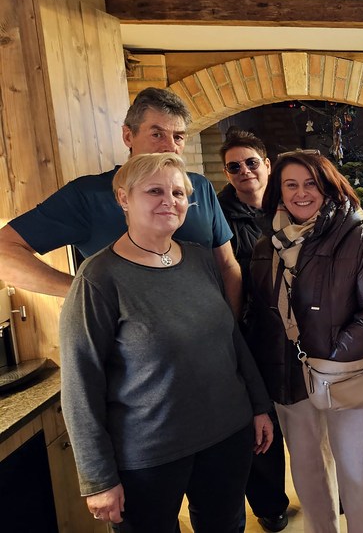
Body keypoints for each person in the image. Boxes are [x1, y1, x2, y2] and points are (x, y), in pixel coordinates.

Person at [59, 152, 274, 531]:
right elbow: (80, 383)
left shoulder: (200, 259)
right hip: (148, 453)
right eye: (154, 191)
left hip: (226, 435)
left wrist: (259, 406)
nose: (169, 201)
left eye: (178, 193)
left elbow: (231, 339)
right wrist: (98, 477)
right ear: (124, 198)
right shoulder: (98, 278)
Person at [245, 149, 363, 533]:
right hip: (290, 383)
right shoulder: (266, 247)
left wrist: (331, 354)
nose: (301, 193)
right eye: (291, 185)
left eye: (310, 184)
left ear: (328, 188)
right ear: (279, 192)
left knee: (361, 478)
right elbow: (260, 317)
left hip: (347, 377)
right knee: (309, 477)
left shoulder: (359, 239)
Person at [0, 87, 242, 314]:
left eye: (178, 137)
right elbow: (4, 252)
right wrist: (87, 291)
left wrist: (232, 327)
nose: (169, 146)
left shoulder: (199, 187)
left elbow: (227, 266)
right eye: (157, 134)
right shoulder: (87, 195)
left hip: (208, 330)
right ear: (128, 136)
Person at [217, 127, 291, 532]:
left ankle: (330, 487)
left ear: (267, 164)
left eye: (251, 162)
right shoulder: (217, 216)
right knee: (260, 420)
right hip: (250, 331)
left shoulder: (293, 201)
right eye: (234, 167)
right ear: (226, 173)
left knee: (311, 417)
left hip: (298, 331)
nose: (244, 171)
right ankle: (269, 504)